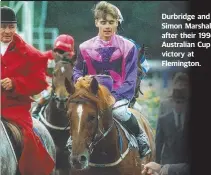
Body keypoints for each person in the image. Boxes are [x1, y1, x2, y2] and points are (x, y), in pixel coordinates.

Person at [72, 1, 151, 158]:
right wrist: (80, 80)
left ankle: (141, 138)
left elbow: (130, 78)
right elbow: (77, 70)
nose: (107, 26)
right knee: (79, 114)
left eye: (111, 22)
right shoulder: (84, 47)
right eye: (103, 22)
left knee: (120, 112)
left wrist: (114, 97)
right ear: (96, 23)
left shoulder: (128, 47)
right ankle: (73, 141)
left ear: (117, 23)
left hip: (118, 96)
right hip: (92, 95)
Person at [0, 6, 54, 175]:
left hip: (14, 110)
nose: (7, 31)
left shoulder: (28, 51)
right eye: (3, 26)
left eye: (11, 27)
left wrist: (16, 83)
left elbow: (39, 82)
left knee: (27, 139)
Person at [112, 5, 150, 107]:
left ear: (118, 25)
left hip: (122, 99)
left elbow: (145, 66)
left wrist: (133, 84)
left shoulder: (130, 45)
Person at [32, 34, 76, 118]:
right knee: (48, 93)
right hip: (46, 84)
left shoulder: (73, 61)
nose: (58, 54)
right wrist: (47, 86)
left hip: (64, 85)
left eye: (62, 52)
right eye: (57, 50)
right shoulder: (45, 57)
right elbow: (36, 73)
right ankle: (36, 110)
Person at [155, 72, 190, 165]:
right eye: (179, 84)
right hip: (168, 161)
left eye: (184, 85)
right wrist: (157, 162)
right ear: (174, 86)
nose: (181, 87)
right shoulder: (165, 105)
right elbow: (159, 137)